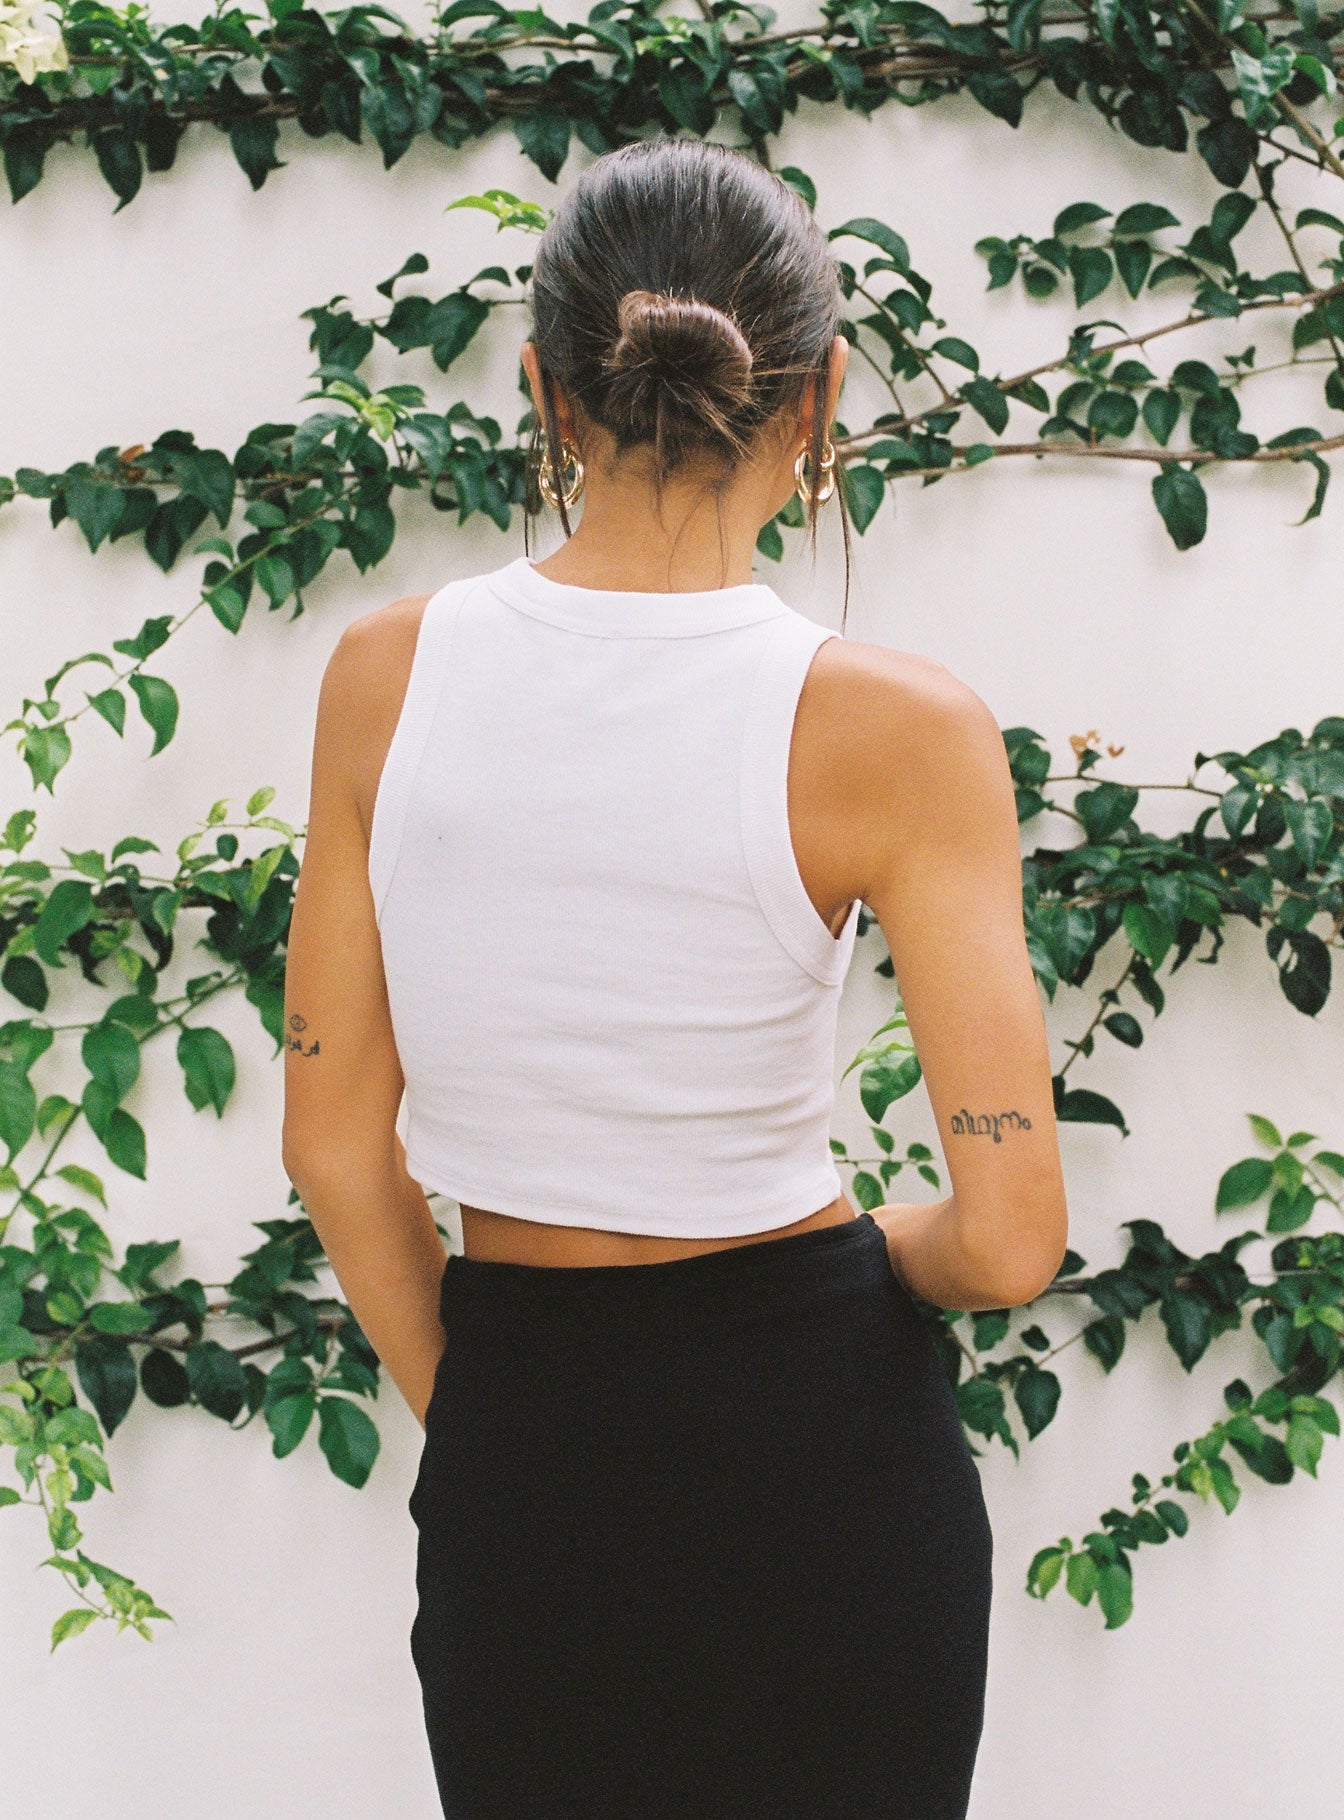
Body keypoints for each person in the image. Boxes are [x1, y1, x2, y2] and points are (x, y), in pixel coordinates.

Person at [282, 136, 1069, 1820]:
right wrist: (871, 1267)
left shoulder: (381, 678)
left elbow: (336, 1149)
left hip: (526, 1441)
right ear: (820, 395)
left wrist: (497, 1411)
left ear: (545, 389)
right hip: (827, 1451)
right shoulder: (902, 730)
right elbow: (1009, 1242)